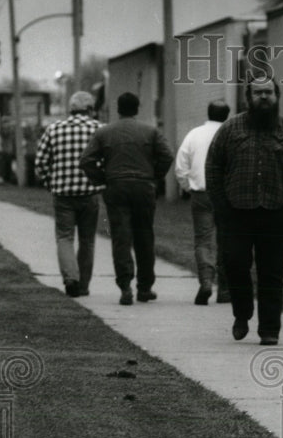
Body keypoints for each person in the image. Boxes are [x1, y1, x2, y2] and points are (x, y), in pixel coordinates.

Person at [205, 76, 283, 344]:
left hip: (275, 213)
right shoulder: (230, 130)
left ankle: (269, 330)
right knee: (235, 264)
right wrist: (222, 206)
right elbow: (213, 167)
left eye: (269, 92)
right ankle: (242, 313)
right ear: (248, 98)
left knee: (271, 273)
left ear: (277, 97)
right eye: (258, 93)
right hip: (235, 213)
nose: (264, 97)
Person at [79, 91, 174, 306]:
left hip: (116, 186)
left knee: (121, 238)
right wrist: (154, 176)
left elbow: (86, 160)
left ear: (118, 109)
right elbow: (167, 155)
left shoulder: (104, 133)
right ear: (137, 108)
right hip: (143, 187)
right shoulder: (150, 131)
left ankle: (125, 286)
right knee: (145, 237)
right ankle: (145, 287)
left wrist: (101, 178)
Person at [33, 91, 105, 297]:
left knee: (64, 237)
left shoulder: (54, 129)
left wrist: (50, 182)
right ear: (90, 109)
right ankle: (83, 285)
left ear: (70, 109)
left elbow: (40, 164)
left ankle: (70, 278)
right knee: (87, 240)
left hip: (63, 194)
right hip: (90, 193)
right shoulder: (100, 129)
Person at [175, 99, 231, 306]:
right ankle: (225, 289)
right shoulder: (231, 134)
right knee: (226, 240)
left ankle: (206, 281)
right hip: (226, 196)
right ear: (227, 114)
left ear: (208, 113)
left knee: (203, 240)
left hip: (201, 193)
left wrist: (189, 186)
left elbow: (181, 167)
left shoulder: (194, 134)